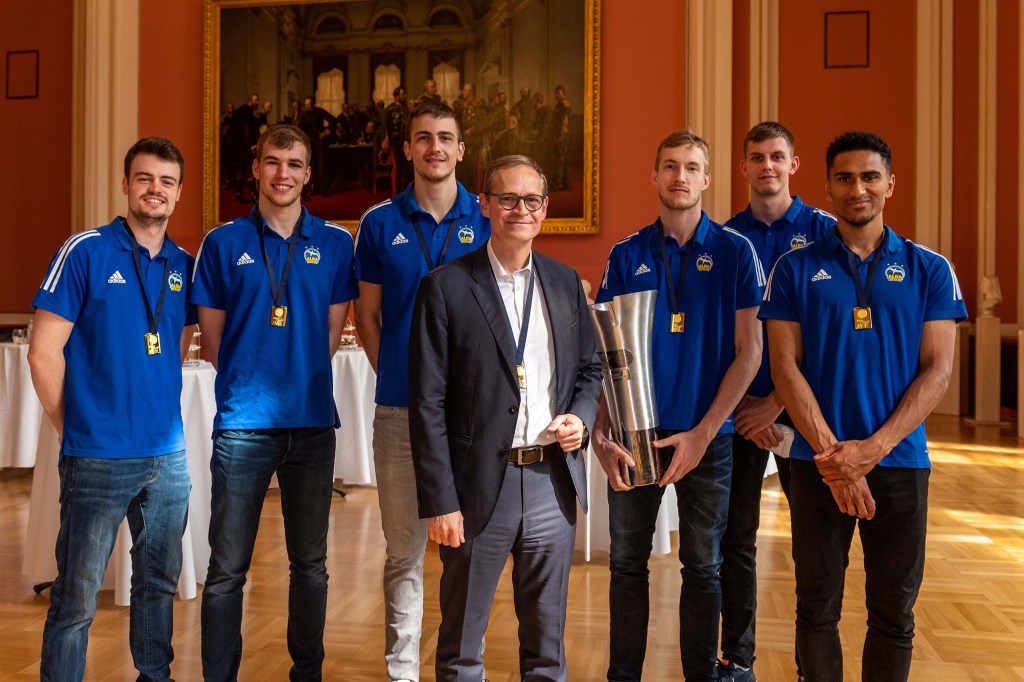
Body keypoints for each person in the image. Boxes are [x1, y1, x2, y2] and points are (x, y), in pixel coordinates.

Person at [759, 131, 966, 682]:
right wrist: (837, 460)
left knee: (894, 616)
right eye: (845, 178)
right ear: (826, 187)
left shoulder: (930, 269)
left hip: (900, 463)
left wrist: (871, 450)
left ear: (890, 184)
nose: (858, 189)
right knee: (816, 609)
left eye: (870, 176)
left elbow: (938, 371)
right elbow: (785, 369)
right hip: (816, 464)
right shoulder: (793, 269)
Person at [409, 154, 603, 681]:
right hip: (476, 491)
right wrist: (441, 501)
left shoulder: (566, 283)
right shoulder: (445, 287)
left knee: (547, 651)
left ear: (545, 208)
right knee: (461, 650)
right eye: (508, 199)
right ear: (485, 205)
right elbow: (426, 403)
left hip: (550, 484)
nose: (521, 210)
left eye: (532, 200)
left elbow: (589, 371)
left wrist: (580, 419)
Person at [593, 129, 764, 682]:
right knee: (626, 566)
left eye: (691, 167)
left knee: (703, 567)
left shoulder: (736, 252)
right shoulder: (627, 254)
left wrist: (705, 432)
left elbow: (750, 353)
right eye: (670, 166)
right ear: (655, 176)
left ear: (707, 179)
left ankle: (700, 676)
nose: (680, 176)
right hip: (634, 435)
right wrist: (601, 432)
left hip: (706, 439)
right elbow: (606, 350)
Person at [191, 124, 358, 681]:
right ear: (256, 169)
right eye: (272, 162)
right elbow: (212, 341)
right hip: (243, 426)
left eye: (294, 164)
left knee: (310, 566)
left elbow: (331, 334)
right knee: (226, 570)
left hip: (312, 424)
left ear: (308, 174)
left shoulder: (335, 244)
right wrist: (256, 378)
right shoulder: (222, 243)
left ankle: (306, 673)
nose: (282, 174)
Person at [29, 137, 196, 681]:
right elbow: (42, 353)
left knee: (157, 587)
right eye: (145, 178)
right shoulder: (84, 251)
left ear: (179, 193)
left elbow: (178, 343)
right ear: (126, 184)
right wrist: (70, 425)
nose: (155, 189)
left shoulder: (183, 264)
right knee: (77, 598)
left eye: (166, 181)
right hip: (98, 455)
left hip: (167, 457)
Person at [353, 99, 490, 682]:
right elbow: (367, 315)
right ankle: (402, 671)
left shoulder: (486, 216)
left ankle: (460, 666)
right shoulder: (379, 223)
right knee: (403, 552)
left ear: (461, 148)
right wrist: (398, 377)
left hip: (471, 416)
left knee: (468, 551)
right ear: (407, 149)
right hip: (399, 412)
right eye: (424, 137)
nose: (435, 147)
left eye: (445, 137)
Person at [717, 121, 836, 681]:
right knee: (735, 539)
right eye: (757, 157)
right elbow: (718, 336)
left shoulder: (827, 232)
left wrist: (778, 405)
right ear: (743, 166)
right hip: (740, 415)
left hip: (804, 415)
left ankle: (813, 666)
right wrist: (748, 407)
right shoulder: (723, 238)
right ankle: (738, 659)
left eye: (777, 156)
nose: (767, 166)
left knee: (813, 544)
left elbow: (832, 337)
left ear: (794, 164)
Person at [384, 86, 413, 194]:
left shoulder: (405, 108)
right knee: (398, 167)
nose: (404, 96)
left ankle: (406, 190)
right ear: (396, 96)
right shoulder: (389, 109)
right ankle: (396, 191)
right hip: (395, 142)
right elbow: (385, 126)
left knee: (407, 166)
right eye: (402, 94)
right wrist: (386, 140)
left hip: (405, 142)